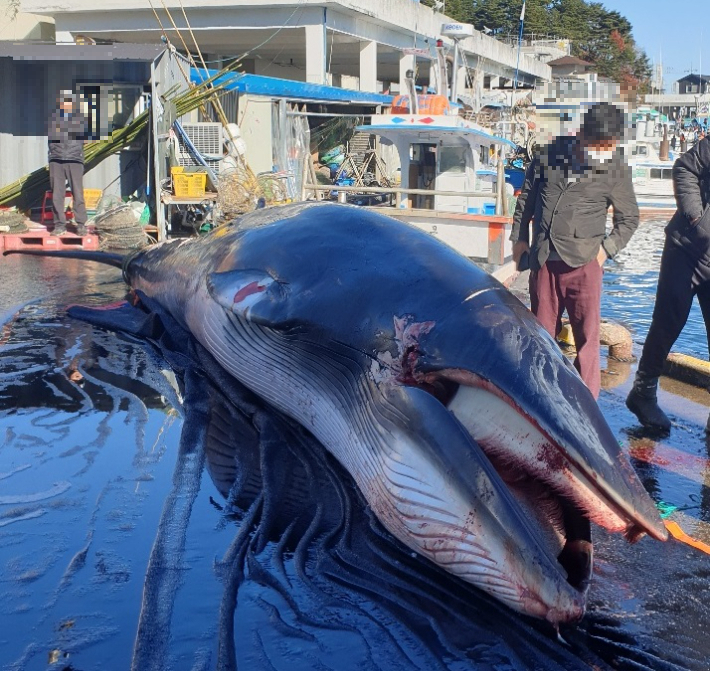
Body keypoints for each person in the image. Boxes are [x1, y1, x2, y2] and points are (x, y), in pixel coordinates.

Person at [511, 102, 640, 399]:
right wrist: (519, 240)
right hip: (544, 259)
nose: (602, 150)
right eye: (597, 144)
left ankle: (587, 406)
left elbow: (628, 218)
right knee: (541, 337)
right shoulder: (548, 154)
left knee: (587, 340)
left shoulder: (616, 167)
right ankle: (541, 398)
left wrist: (606, 250)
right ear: (581, 133)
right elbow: (526, 202)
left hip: (585, 263)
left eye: (608, 145)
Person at [626, 135, 710, 433]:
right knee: (667, 324)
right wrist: (698, 219)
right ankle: (643, 393)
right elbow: (684, 168)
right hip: (686, 248)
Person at [47, 90, 88, 236]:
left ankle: (81, 224)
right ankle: (59, 225)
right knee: (57, 194)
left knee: (78, 193)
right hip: (56, 160)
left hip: (74, 159)